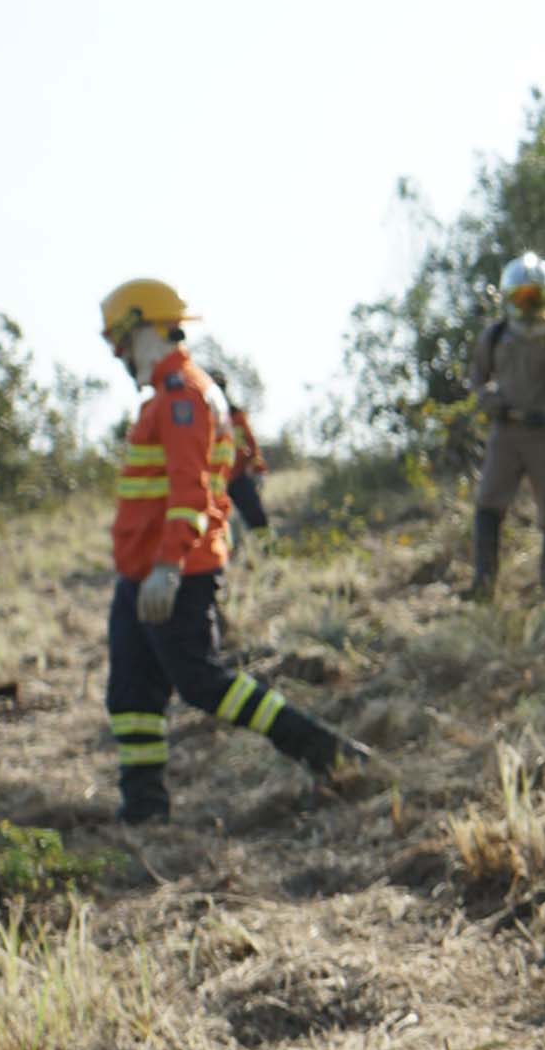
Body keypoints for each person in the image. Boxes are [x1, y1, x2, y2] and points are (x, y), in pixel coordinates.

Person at [100, 279, 368, 823]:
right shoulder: (166, 397)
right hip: (140, 577)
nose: (119, 355)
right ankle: (144, 811)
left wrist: (168, 567)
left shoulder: (184, 395)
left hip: (173, 573)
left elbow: (190, 492)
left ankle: (326, 750)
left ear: (146, 328)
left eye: (120, 341)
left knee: (202, 682)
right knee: (131, 694)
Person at [465, 252, 545, 598]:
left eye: (535, 297)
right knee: (489, 502)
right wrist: (492, 402)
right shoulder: (495, 335)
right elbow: (477, 378)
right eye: (522, 298)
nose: (529, 305)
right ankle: (483, 585)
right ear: (508, 298)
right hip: (506, 434)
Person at [207, 371, 269, 533]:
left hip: (239, 475)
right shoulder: (204, 417)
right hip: (216, 480)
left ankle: (267, 550)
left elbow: (251, 443)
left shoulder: (237, 415)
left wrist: (259, 470)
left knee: (256, 517)